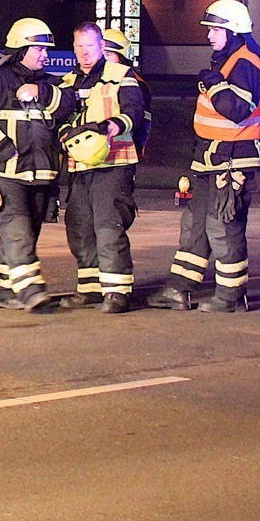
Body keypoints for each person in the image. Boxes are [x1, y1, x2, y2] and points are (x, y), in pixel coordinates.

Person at [148, 0, 260, 313]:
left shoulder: (245, 62)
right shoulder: (226, 61)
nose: (210, 35)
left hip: (231, 162)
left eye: (215, 29)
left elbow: (237, 110)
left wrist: (213, 85)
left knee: (223, 228)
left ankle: (230, 297)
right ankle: (179, 289)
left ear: (234, 31)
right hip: (211, 159)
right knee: (195, 226)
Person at [0, 18, 73, 312]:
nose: (45, 55)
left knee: (27, 231)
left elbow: (69, 107)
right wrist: (5, 150)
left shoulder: (50, 84)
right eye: (39, 49)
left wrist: (43, 94)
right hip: (6, 175)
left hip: (43, 175)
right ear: (21, 49)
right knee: (18, 230)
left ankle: (1, 289)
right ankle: (30, 291)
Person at [57, 23, 147, 313]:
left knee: (108, 226)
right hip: (79, 165)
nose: (84, 53)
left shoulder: (121, 76)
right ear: (74, 48)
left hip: (114, 163)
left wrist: (113, 125)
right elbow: (57, 119)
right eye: (79, 47)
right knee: (79, 226)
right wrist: (63, 136)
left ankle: (118, 291)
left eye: (90, 47)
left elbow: (134, 111)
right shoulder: (68, 81)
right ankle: (90, 289)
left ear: (101, 47)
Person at [100, 27, 152, 155]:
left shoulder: (137, 84)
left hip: (121, 154)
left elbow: (142, 122)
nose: (103, 59)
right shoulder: (93, 78)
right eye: (101, 54)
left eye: (109, 54)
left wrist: (138, 150)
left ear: (122, 57)